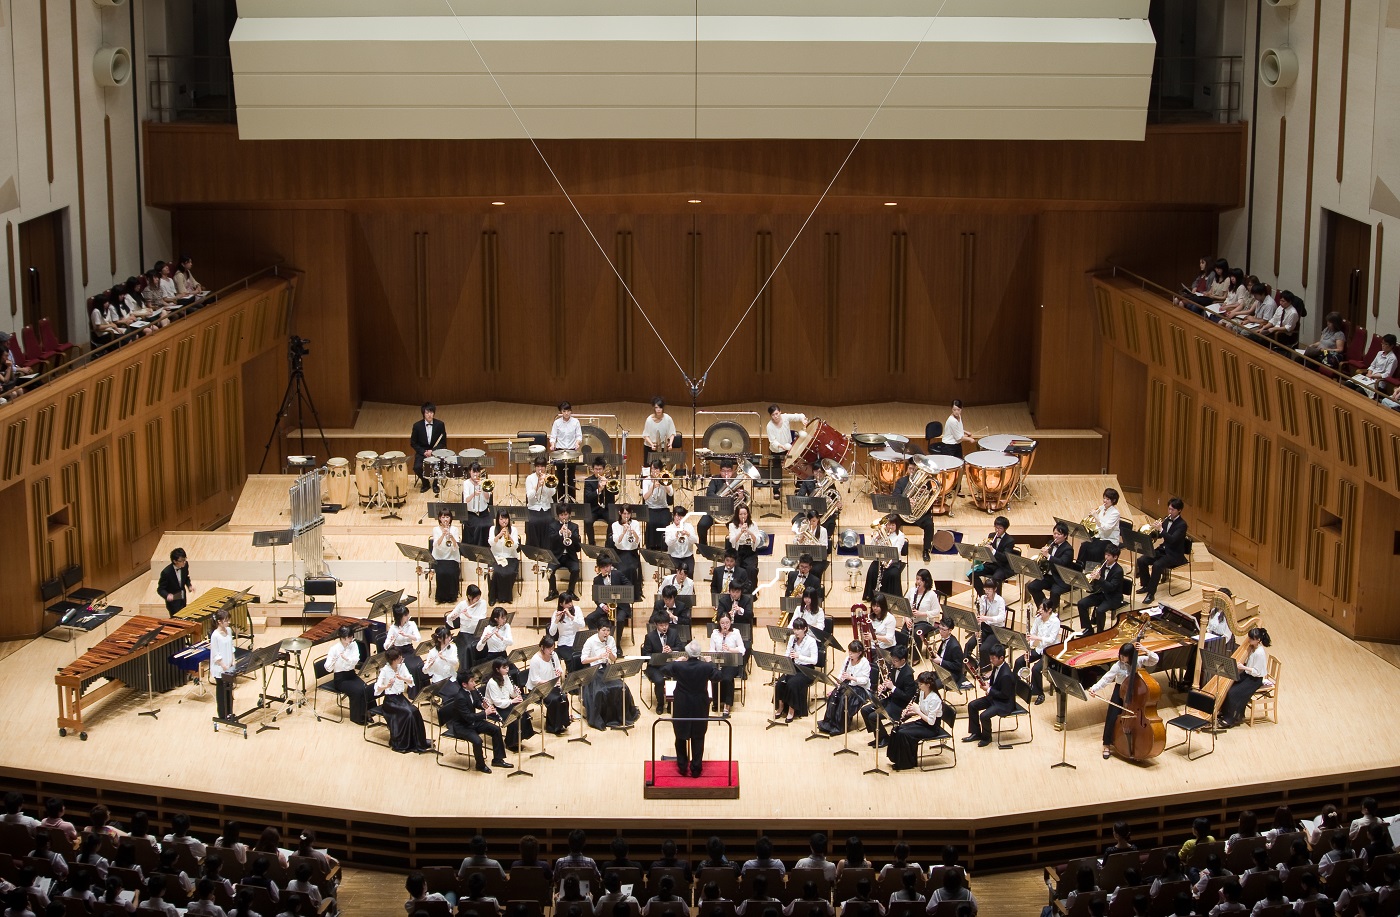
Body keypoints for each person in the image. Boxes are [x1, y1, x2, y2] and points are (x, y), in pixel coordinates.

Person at [1089, 638, 1160, 760]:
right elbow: (1106, 679)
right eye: (1121, 656)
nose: (1122, 659)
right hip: (1120, 690)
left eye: (1125, 656)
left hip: (1135, 692)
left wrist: (1145, 650)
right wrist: (1094, 688)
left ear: (1131, 656)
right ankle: (1106, 744)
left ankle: (1138, 741)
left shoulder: (1139, 660)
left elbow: (1155, 660)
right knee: (1112, 715)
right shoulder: (1117, 665)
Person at [440, 671, 510, 773]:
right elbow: (468, 717)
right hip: (462, 726)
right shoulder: (460, 698)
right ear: (464, 684)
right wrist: (485, 713)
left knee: (496, 729)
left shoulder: (471, 690)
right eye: (472, 681)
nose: (474, 683)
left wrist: (482, 705)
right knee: (477, 741)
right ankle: (480, 765)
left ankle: (498, 759)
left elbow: (475, 702)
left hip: (473, 721)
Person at [666, 642, 719, 777]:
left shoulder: (679, 666)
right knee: (698, 736)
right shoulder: (706, 667)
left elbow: (664, 670)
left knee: (680, 735)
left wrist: (676, 661)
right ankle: (696, 768)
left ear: (687, 653)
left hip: (682, 704)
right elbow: (718, 676)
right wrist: (711, 662)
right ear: (699, 654)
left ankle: (682, 766)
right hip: (699, 704)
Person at [580, 622, 638, 729]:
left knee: (621, 687)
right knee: (600, 691)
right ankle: (601, 718)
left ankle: (619, 717)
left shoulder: (610, 639)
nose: (606, 633)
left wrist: (610, 653)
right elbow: (583, 660)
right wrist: (598, 657)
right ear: (598, 630)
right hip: (594, 670)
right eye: (603, 630)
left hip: (607, 669)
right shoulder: (590, 641)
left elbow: (614, 659)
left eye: (608, 630)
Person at [374, 647, 432, 753]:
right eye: (399, 658)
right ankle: (404, 742)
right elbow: (377, 688)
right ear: (393, 660)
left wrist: (402, 678)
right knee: (408, 713)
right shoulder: (385, 671)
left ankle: (419, 741)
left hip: (400, 698)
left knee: (415, 711)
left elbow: (411, 680)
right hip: (390, 701)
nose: (402, 659)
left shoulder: (402, 666)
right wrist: (386, 686)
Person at [1135, 498, 1189, 605]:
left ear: (1179, 510)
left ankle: (1151, 594)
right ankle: (1146, 585)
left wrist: (1161, 530)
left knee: (1157, 565)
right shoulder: (1166, 519)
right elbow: (1160, 535)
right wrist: (1153, 531)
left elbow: (1172, 540)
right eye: (1169, 509)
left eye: (1172, 510)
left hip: (1174, 554)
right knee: (1142, 560)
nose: (1170, 512)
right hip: (1163, 550)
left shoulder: (1182, 525)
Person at [862, 644, 915, 747]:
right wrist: (885, 687)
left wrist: (893, 688)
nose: (893, 662)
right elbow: (891, 684)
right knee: (865, 710)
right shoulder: (894, 667)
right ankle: (878, 736)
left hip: (900, 705)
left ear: (903, 660)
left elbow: (908, 697)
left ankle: (884, 738)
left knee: (873, 716)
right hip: (891, 700)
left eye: (895, 660)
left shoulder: (908, 674)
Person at [1218, 627, 1272, 728]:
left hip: (1254, 680)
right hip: (1248, 675)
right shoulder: (1253, 648)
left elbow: (1257, 672)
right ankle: (1226, 713)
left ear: (1258, 640)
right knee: (1229, 687)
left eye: (1252, 639)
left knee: (1233, 693)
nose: (1249, 640)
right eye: (1249, 638)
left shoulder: (1259, 653)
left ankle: (1231, 719)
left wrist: (1243, 667)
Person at [964, 644, 1015, 748]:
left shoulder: (1006, 674)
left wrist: (989, 689)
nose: (991, 660)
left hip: (1004, 703)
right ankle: (976, 733)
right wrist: (988, 685)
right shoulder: (997, 666)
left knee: (984, 716)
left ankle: (987, 737)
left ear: (1001, 658)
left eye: (993, 658)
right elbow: (995, 683)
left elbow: (1004, 695)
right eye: (990, 658)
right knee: (972, 705)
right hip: (994, 697)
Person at [815, 641, 871, 735]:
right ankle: (829, 723)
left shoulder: (865, 663)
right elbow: (841, 672)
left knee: (844, 699)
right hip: (847, 684)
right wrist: (838, 682)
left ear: (860, 652)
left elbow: (865, 680)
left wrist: (851, 678)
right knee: (833, 696)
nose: (850, 654)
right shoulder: (847, 659)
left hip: (860, 689)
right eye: (849, 651)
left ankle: (840, 726)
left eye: (853, 652)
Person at [773, 618, 819, 724]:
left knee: (792, 683)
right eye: (795, 629)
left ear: (805, 629)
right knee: (780, 682)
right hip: (793, 667)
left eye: (799, 629)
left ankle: (791, 710)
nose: (796, 632)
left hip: (806, 670)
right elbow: (787, 652)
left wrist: (800, 656)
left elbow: (815, 661)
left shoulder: (811, 641)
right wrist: (785, 661)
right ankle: (780, 708)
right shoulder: (792, 638)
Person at [1016, 602, 1062, 705]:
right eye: (1039, 608)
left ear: (1049, 610)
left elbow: (1051, 639)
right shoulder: (1038, 619)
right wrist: (1028, 649)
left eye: (1042, 608)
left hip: (1051, 651)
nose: (1039, 610)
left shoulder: (1055, 621)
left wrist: (1036, 638)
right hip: (1040, 649)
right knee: (1019, 661)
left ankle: (1039, 694)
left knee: (1036, 669)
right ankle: (1017, 686)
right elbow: (1032, 634)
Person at [891, 458, 936, 562]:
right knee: (891, 519)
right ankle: (893, 546)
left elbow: (930, 503)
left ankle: (926, 550)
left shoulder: (926, 483)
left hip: (919, 516)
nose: (912, 472)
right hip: (903, 514)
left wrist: (922, 498)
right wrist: (906, 501)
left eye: (914, 470)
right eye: (910, 469)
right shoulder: (901, 482)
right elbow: (895, 497)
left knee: (929, 524)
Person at [485, 657, 534, 751]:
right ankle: (510, 743)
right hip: (495, 708)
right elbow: (497, 702)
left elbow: (511, 693)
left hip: (506, 703)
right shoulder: (492, 683)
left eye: (507, 667)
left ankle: (520, 738)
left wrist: (516, 692)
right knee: (513, 719)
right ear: (497, 669)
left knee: (523, 713)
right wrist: (512, 701)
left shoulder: (506, 676)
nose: (507, 669)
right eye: (504, 667)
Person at [525, 636, 571, 735]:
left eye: (552, 648)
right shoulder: (535, 660)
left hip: (551, 685)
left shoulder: (554, 655)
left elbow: (559, 668)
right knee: (554, 699)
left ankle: (562, 723)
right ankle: (552, 727)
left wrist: (559, 672)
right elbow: (534, 680)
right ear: (542, 647)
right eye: (549, 649)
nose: (551, 651)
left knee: (563, 697)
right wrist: (551, 681)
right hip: (537, 689)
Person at [1076, 544, 1126, 635]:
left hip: (1113, 597)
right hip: (1101, 593)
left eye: (1109, 555)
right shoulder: (1103, 563)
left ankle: (1100, 633)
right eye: (1105, 554)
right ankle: (1088, 628)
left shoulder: (1118, 570)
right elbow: (1100, 582)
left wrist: (1099, 578)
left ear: (1115, 557)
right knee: (1081, 603)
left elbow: (1111, 587)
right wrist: (1093, 578)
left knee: (1100, 610)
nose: (1106, 557)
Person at [1027, 523, 1077, 611]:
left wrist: (1048, 556)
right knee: (1032, 586)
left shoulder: (1068, 549)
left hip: (1061, 578)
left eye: (1059, 534)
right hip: (1049, 575)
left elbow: (1062, 563)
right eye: (1055, 533)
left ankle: (1051, 612)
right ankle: (1043, 608)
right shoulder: (1051, 543)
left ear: (1065, 536)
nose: (1056, 536)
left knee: (1054, 592)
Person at [698, 459, 745, 545]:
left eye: (728, 471)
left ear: (732, 471)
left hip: (730, 512)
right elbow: (709, 493)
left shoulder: (737, 481)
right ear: (720, 471)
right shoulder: (715, 479)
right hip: (714, 510)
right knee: (701, 525)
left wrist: (741, 496)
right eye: (723, 471)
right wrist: (721, 500)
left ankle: (734, 544)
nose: (726, 474)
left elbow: (742, 500)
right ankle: (702, 545)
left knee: (736, 526)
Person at [765, 405, 808, 499]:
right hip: (776, 450)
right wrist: (781, 446)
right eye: (773, 415)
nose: (775, 416)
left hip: (789, 448)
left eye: (777, 414)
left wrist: (803, 419)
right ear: (771, 416)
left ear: (780, 412)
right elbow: (773, 441)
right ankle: (776, 489)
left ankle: (799, 486)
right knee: (776, 469)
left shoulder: (785, 417)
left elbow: (799, 415)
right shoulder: (769, 426)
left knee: (796, 464)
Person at [863, 516, 906, 602]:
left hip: (893, 561)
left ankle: (891, 599)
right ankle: (871, 596)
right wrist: (876, 539)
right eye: (888, 524)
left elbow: (897, 551)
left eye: (893, 525)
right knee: (872, 571)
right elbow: (872, 547)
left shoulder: (900, 535)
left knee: (892, 574)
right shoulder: (881, 532)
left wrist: (887, 546)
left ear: (897, 525)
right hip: (880, 559)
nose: (890, 527)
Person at [447, 584, 490, 669]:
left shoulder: (482, 603)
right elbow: (450, 617)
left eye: (479, 597)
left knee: (485, 643)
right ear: (469, 596)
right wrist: (452, 617)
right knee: (467, 647)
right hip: (465, 633)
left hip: (478, 632)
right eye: (476, 598)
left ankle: (483, 669)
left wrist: (470, 616)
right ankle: (468, 670)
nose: (478, 599)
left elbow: (482, 619)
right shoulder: (462, 604)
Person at [709, 614, 745, 716]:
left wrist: (730, 649)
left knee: (727, 679)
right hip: (718, 661)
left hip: (731, 661)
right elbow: (711, 648)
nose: (725, 625)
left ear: (730, 622)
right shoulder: (714, 634)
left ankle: (727, 705)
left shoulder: (735, 633)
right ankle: (716, 701)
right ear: (719, 623)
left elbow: (742, 649)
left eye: (727, 623)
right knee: (714, 676)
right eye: (722, 623)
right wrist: (712, 655)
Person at [970, 517, 1016, 595]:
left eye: (1000, 528)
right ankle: (983, 595)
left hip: (1002, 566)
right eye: (996, 527)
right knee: (972, 574)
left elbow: (1005, 558)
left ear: (1005, 529)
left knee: (996, 578)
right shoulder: (991, 535)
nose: (997, 530)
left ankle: (997, 600)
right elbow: (987, 553)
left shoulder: (1010, 540)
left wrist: (993, 550)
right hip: (991, 564)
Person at [1077, 488, 1123, 566]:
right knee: (1084, 545)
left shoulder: (1115, 513)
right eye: (1104, 498)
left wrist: (1096, 516)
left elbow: (1106, 528)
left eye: (1108, 499)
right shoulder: (1102, 508)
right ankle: (1080, 568)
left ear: (1114, 500)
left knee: (1095, 550)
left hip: (1110, 539)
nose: (1105, 501)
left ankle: (1094, 571)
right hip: (1100, 537)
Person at [410, 402, 447, 494]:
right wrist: (423, 452)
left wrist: (433, 451)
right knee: (416, 467)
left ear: (434, 413)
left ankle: (435, 484)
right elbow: (413, 443)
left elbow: (443, 442)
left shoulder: (440, 424)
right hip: (422, 452)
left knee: (441, 465)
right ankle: (425, 483)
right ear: (423, 414)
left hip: (436, 452)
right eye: (427, 413)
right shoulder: (417, 426)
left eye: (431, 412)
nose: (429, 415)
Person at [546, 504, 581, 601]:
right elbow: (551, 542)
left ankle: (570, 591)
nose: (564, 517)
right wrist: (560, 533)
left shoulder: (574, 526)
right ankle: (553, 591)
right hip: (556, 555)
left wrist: (571, 535)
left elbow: (578, 546)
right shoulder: (552, 526)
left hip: (570, 556)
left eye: (565, 514)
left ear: (569, 514)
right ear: (558, 516)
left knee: (575, 569)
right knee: (549, 570)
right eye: (561, 515)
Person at [549, 401, 583, 499]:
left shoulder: (576, 422)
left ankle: (572, 499)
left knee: (571, 475)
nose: (567, 413)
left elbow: (579, 436)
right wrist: (552, 444)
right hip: (560, 451)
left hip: (572, 451)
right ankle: (561, 498)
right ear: (561, 412)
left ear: (571, 411)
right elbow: (553, 436)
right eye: (564, 411)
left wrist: (577, 443)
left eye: (568, 411)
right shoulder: (557, 422)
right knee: (560, 475)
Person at [902, 568, 940, 657]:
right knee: (903, 633)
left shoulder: (931, 595)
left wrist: (921, 613)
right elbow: (904, 607)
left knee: (916, 633)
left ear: (926, 581)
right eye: (917, 579)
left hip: (925, 622)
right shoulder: (911, 591)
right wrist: (907, 619)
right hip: (912, 621)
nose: (918, 582)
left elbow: (937, 611)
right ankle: (902, 656)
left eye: (920, 580)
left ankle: (915, 657)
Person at [612, 504, 646, 603]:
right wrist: (623, 532)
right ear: (620, 513)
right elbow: (616, 542)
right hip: (620, 553)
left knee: (631, 569)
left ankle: (634, 595)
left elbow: (637, 541)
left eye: (628, 514)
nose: (626, 516)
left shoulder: (635, 523)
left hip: (632, 553)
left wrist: (633, 532)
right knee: (622, 570)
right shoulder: (615, 525)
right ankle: (622, 595)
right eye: (624, 514)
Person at [588, 556, 633, 631]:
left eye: (607, 566)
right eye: (603, 567)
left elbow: (629, 586)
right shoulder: (597, 580)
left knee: (620, 620)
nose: (605, 569)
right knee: (590, 618)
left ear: (610, 565)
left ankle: (616, 641)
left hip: (620, 606)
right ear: (599, 568)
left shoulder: (618, 574)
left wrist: (617, 593)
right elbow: (596, 597)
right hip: (605, 607)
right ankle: (598, 639)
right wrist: (603, 606)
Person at [642, 618, 678, 710]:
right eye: (661, 625)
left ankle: (672, 703)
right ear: (656, 625)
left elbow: (681, 647)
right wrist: (660, 653)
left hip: (670, 665)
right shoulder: (649, 637)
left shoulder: (673, 633)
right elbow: (645, 655)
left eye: (666, 625)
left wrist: (671, 650)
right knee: (659, 681)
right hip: (654, 666)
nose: (664, 627)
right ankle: (660, 703)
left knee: (678, 677)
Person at [727, 503, 767, 587]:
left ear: (748, 514)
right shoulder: (732, 525)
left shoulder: (753, 524)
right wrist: (741, 532)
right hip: (737, 551)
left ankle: (751, 591)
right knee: (736, 568)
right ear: (737, 515)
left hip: (750, 552)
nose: (743, 516)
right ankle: (737, 589)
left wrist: (750, 532)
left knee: (751, 569)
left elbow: (757, 541)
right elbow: (732, 540)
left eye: (745, 514)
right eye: (741, 514)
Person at [487, 510, 521, 605]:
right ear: (498, 520)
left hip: (510, 557)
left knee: (508, 572)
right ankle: (492, 597)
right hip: (495, 557)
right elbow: (491, 543)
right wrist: (499, 535)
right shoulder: (492, 529)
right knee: (494, 572)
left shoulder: (513, 530)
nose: (504, 521)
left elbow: (515, 547)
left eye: (506, 518)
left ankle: (506, 597)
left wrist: (509, 536)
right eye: (501, 519)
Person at [209, 608, 237, 723]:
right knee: (222, 690)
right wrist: (224, 666)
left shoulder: (229, 630)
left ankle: (229, 712)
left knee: (229, 690)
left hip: (229, 665)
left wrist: (233, 660)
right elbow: (216, 654)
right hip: (220, 668)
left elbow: (231, 646)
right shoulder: (215, 635)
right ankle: (222, 715)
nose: (228, 622)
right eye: (226, 620)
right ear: (219, 621)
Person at [969, 581, 1006, 667]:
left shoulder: (1000, 600)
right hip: (984, 627)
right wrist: (977, 629)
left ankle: (986, 669)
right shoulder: (982, 598)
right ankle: (968, 666)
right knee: (969, 644)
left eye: (989, 589)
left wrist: (986, 618)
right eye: (985, 589)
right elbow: (980, 614)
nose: (986, 591)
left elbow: (1001, 618)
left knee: (984, 649)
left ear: (994, 589)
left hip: (996, 630)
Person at [430, 509, 463, 605]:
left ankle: (452, 596)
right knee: (441, 573)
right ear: (439, 518)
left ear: (450, 518)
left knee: (451, 572)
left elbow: (456, 546)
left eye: (447, 517)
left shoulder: (454, 529)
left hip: (452, 557)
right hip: (439, 557)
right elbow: (436, 545)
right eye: (443, 517)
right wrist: (443, 535)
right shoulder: (435, 529)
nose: (445, 519)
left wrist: (451, 536)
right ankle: (441, 597)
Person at [641, 458, 675, 551]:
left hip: (663, 508)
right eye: (652, 469)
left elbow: (671, 493)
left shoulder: (665, 478)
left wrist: (663, 483)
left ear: (660, 470)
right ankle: (651, 546)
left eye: (656, 469)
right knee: (652, 523)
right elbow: (645, 497)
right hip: (650, 508)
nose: (654, 471)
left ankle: (663, 546)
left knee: (664, 522)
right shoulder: (646, 480)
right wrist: (652, 486)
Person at [525, 456, 559, 548]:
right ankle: (534, 547)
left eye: (542, 466)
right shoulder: (530, 478)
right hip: (533, 507)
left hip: (546, 507)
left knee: (550, 522)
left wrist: (545, 484)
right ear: (535, 467)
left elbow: (551, 494)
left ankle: (548, 547)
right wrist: (537, 486)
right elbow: (529, 497)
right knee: (532, 522)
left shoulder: (550, 478)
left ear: (545, 467)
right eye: (538, 466)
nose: (540, 469)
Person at [582, 457, 616, 546]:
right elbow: (588, 497)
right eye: (596, 469)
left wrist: (608, 484)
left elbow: (616, 491)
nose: (598, 471)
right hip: (593, 509)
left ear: (604, 469)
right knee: (588, 521)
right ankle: (592, 544)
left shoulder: (609, 480)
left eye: (600, 469)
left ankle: (608, 544)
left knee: (613, 520)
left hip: (606, 509)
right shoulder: (589, 481)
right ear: (593, 469)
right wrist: (599, 489)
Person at [547, 593, 587, 669]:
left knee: (584, 656)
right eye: (567, 603)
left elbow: (582, 625)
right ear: (561, 604)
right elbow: (552, 633)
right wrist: (556, 620)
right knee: (571, 658)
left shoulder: (577, 609)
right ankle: (571, 677)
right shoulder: (556, 613)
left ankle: (581, 675)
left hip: (577, 641)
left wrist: (571, 616)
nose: (570, 604)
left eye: (571, 602)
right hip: (563, 643)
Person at [386, 603, 424, 682]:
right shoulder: (393, 628)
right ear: (400, 617)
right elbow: (385, 646)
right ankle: (414, 691)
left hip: (410, 650)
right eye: (405, 615)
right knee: (413, 668)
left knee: (421, 665)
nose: (408, 616)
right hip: (399, 654)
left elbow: (418, 638)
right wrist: (391, 641)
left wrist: (407, 635)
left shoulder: (412, 624)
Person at [423, 625, 461, 701]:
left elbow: (455, 662)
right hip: (439, 681)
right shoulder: (433, 652)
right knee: (447, 698)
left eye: (449, 636)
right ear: (439, 639)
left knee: (459, 695)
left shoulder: (453, 647)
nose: (449, 639)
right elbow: (424, 671)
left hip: (450, 677)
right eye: (447, 637)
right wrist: (429, 665)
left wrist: (445, 658)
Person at [1354, 332, 1398, 397]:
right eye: (1382, 343)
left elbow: (1387, 374)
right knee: (1349, 384)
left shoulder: (1393, 359)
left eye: (1385, 344)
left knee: (1359, 390)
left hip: (1379, 382)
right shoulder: (1379, 353)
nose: (1383, 345)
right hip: (1369, 377)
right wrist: (1369, 374)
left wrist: (1372, 376)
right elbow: (1372, 366)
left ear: (1391, 346)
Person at [793, 511, 830, 578]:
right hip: (805, 557)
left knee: (815, 570)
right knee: (798, 569)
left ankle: (815, 586)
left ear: (818, 520)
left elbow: (825, 546)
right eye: (809, 521)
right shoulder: (803, 528)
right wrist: (800, 539)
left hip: (818, 559)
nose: (811, 523)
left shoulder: (823, 530)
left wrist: (815, 544)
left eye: (814, 521)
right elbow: (795, 542)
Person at [933, 618, 967, 689]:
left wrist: (941, 661)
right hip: (942, 670)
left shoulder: (955, 646)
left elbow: (958, 666)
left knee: (931, 686)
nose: (940, 632)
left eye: (943, 630)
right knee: (923, 678)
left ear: (950, 630)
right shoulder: (945, 639)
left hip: (952, 675)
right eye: (940, 628)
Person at [664, 506, 698, 577]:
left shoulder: (689, 526)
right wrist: (676, 535)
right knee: (675, 575)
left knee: (690, 572)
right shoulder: (669, 528)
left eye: (680, 515)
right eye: (675, 515)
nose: (677, 518)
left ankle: (689, 587)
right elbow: (668, 543)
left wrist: (688, 534)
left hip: (688, 556)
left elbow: (695, 540)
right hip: (674, 557)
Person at [642, 397, 678, 465]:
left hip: (663, 448)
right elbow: (645, 435)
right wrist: (652, 444)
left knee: (662, 467)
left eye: (660, 408)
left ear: (663, 408)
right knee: (649, 467)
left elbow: (672, 433)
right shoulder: (649, 420)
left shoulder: (668, 418)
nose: (658, 410)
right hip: (650, 447)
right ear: (654, 408)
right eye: (656, 408)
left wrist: (670, 443)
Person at [158, 547, 193, 615]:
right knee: (176, 620)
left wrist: (189, 585)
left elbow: (186, 578)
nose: (184, 562)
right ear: (175, 561)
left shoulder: (185, 565)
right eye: (182, 560)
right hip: (173, 602)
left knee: (184, 616)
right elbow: (160, 589)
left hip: (182, 597)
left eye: (185, 559)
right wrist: (167, 595)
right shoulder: (166, 573)